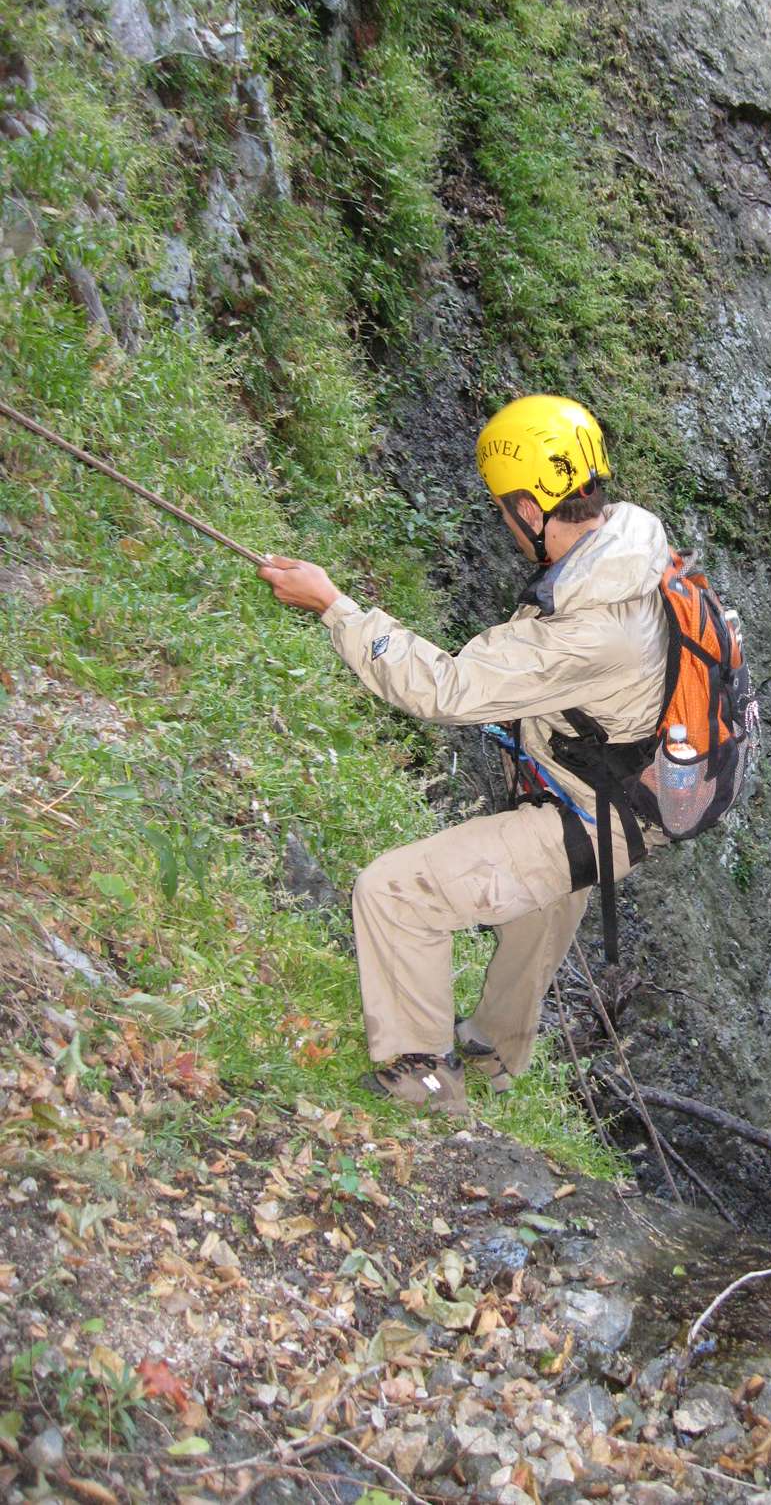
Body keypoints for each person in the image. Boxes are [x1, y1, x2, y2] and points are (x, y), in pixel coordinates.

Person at [257, 394, 670, 1117]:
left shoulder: (590, 625)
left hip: (592, 814)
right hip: (622, 802)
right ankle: (494, 1058)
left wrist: (334, 607)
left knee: (395, 893)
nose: (504, 522)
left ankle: (424, 1086)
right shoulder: (636, 554)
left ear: (529, 505)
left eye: (504, 508)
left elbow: (443, 688)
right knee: (536, 915)